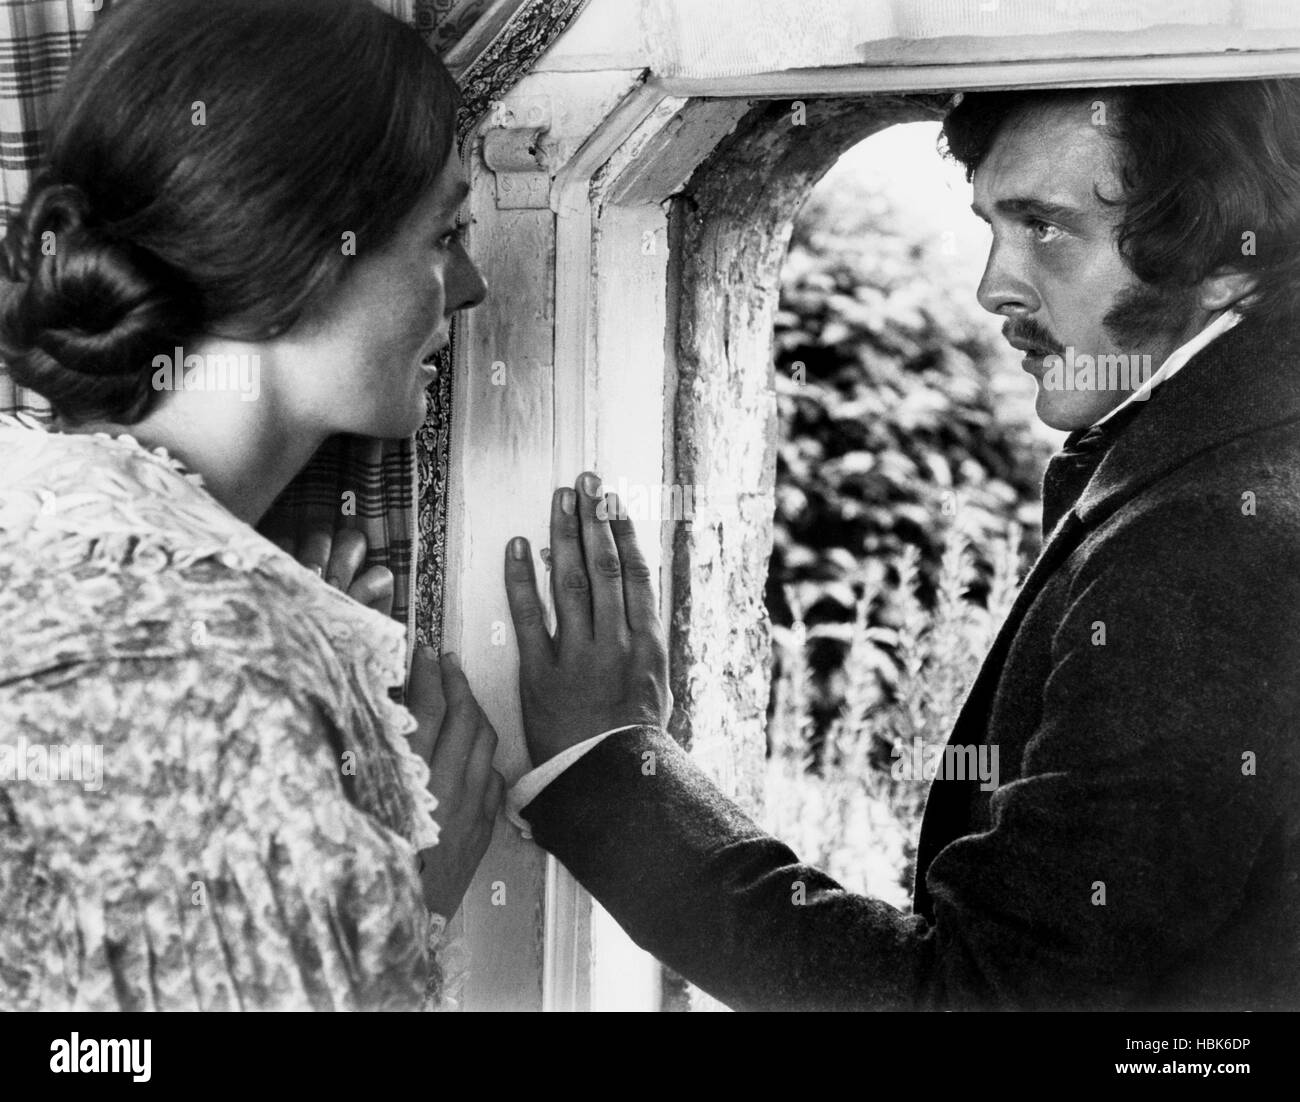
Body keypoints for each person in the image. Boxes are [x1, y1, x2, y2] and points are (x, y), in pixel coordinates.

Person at [504, 81, 1300, 1010]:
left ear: (1228, 259)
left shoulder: (1203, 544)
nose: (993, 286)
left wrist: (612, 770)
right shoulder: (1234, 467)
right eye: (994, 225)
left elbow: (973, 1001)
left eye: (1046, 226)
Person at [0, 0, 497, 1010]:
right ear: (306, 254)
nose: (473, 285)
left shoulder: (63, 532)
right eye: (444, 234)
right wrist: (407, 897)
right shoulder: (207, 644)